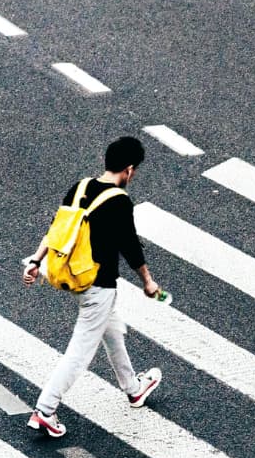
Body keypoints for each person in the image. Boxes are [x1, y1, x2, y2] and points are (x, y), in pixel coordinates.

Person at [19, 135, 166, 437]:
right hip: (97, 284)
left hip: (73, 276)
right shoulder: (120, 201)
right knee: (80, 352)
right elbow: (130, 247)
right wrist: (148, 282)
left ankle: (134, 389)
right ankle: (45, 410)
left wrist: (36, 261)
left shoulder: (81, 187)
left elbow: (56, 230)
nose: (132, 175)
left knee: (112, 331)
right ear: (128, 170)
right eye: (134, 170)